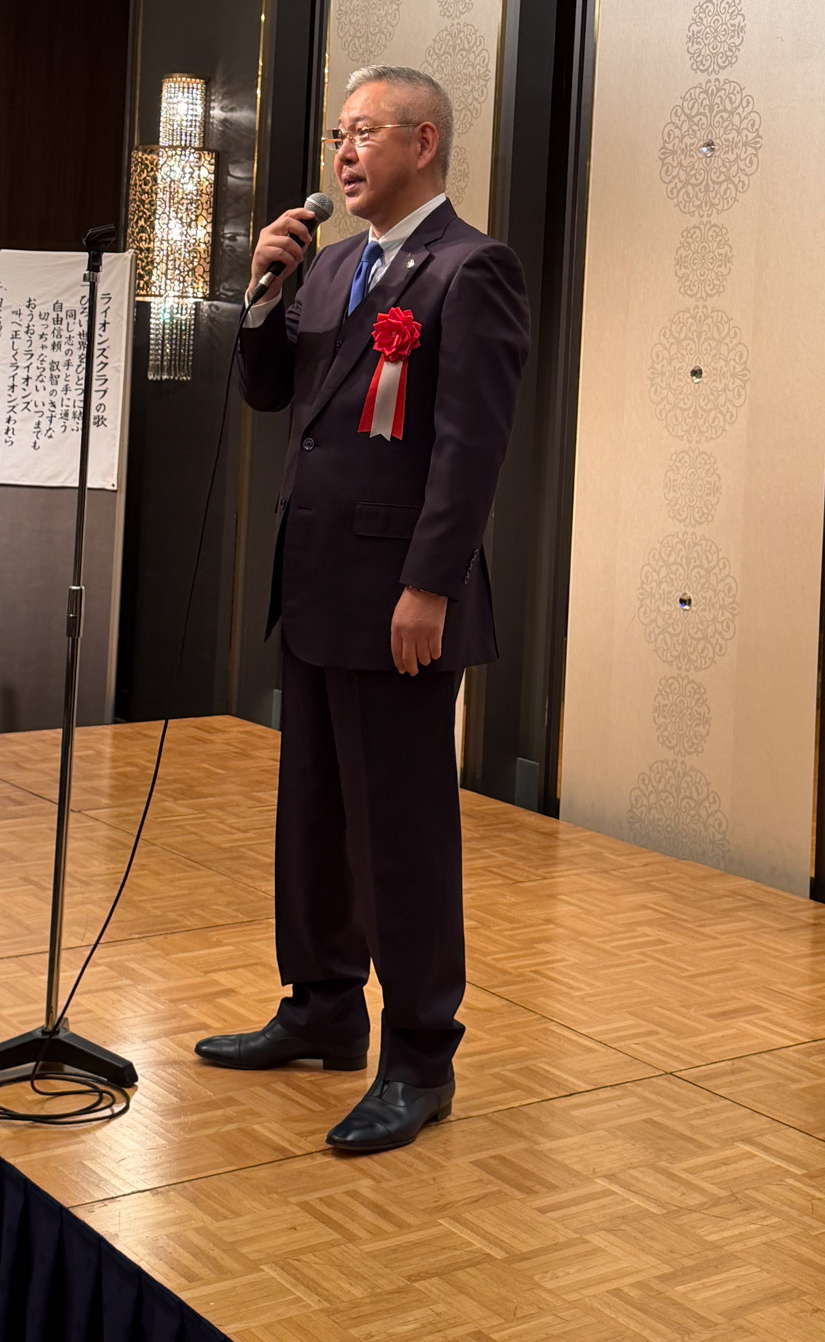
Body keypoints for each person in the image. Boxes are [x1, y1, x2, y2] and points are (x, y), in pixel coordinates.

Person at [194, 64, 531, 1153]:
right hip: (317, 586)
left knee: (402, 833)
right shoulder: (332, 262)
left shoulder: (469, 270)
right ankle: (323, 1005)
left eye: (366, 134)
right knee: (316, 817)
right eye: (338, 136)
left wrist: (429, 582)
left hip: (400, 599)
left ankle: (421, 1053)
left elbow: (471, 447)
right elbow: (268, 391)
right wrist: (262, 289)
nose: (344, 154)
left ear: (423, 143)